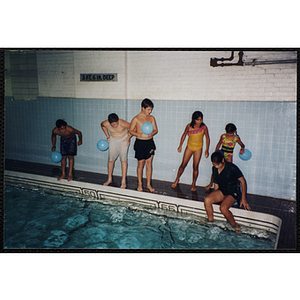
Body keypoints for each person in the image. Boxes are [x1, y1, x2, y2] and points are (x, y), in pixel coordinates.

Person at [204, 151, 251, 232]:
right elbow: (216, 184)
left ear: (223, 160)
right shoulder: (215, 168)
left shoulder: (232, 168)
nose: (216, 166)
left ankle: (235, 226)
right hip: (222, 190)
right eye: (214, 164)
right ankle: (210, 221)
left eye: (218, 164)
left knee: (223, 208)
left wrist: (244, 199)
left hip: (233, 192)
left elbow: (243, 181)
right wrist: (215, 196)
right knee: (207, 200)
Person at [171, 111, 210, 192]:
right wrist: (180, 145)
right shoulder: (189, 126)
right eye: (198, 120)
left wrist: (207, 150)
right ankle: (177, 179)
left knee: (195, 166)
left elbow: (207, 138)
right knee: (183, 164)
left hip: (198, 148)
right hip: (190, 147)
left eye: (201, 119)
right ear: (194, 119)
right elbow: (184, 135)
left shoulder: (204, 127)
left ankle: (193, 184)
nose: (200, 121)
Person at [129, 98, 158, 192]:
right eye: (148, 109)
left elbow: (155, 130)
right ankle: (140, 184)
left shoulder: (151, 118)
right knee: (140, 164)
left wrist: (151, 134)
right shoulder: (136, 118)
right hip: (140, 143)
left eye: (151, 110)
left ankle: (148, 185)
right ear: (143, 108)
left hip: (149, 143)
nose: (150, 112)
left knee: (149, 164)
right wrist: (139, 134)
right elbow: (131, 131)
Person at [205, 123, 245, 190]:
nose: (229, 135)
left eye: (231, 134)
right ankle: (211, 183)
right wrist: (216, 152)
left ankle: (227, 187)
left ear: (234, 131)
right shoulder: (223, 136)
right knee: (216, 170)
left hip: (229, 155)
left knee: (228, 170)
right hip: (222, 154)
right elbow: (219, 143)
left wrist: (242, 148)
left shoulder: (236, 138)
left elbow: (242, 145)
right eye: (228, 134)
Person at [101, 113, 132, 189]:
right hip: (113, 139)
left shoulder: (123, 123)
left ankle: (123, 181)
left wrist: (128, 138)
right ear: (109, 123)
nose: (116, 125)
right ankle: (109, 179)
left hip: (123, 139)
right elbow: (102, 126)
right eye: (113, 124)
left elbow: (134, 127)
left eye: (117, 123)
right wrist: (108, 136)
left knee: (123, 160)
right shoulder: (105, 123)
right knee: (111, 160)